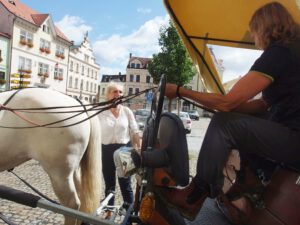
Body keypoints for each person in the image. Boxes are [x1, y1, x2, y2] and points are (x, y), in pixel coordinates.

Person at [159, 1, 300, 222]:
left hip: (295, 140)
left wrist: (180, 91)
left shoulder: (279, 53)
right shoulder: (292, 52)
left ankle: (195, 196)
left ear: (265, 28)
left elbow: (227, 103)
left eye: (255, 33)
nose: (255, 40)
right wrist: (223, 107)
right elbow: (260, 105)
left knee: (225, 123)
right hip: (290, 132)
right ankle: (250, 181)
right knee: (234, 118)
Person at [98, 82, 141, 216]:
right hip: (106, 151)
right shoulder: (100, 111)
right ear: (108, 94)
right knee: (109, 184)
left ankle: (130, 213)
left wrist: (139, 148)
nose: (118, 94)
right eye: (114, 91)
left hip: (124, 151)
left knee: (125, 184)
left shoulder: (127, 111)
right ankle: (109, 211)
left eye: (120, 92)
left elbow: (135, 130)